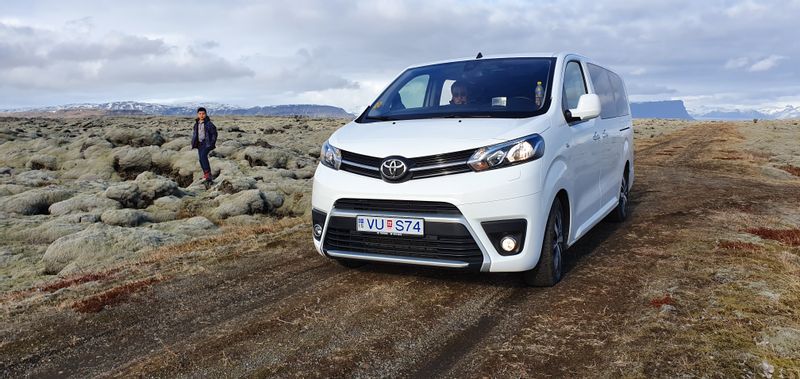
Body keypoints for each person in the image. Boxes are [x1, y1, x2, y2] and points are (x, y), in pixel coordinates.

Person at [191, 107, 218, 183]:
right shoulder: (196, 124)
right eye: (200, 114)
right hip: (199, 143)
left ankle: (208, 174)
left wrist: (212, 143)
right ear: (197, 114)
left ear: (206, 114)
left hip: (206, 143)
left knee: (203, 156)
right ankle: (205, 174)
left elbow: (214, 134)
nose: (201, 115)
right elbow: (195, 133)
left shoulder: (209, 124)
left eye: (203, 114)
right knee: (200, 159)